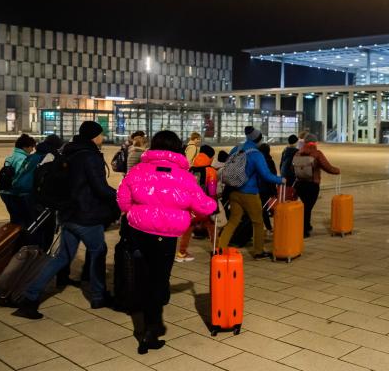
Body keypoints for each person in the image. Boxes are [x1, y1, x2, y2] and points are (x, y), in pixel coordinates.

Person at [117, 130, 217, 353]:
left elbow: (123, 198)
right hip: (166, 236)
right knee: (159, 278)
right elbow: (202, 204)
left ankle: (145, 322)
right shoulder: (184, 176)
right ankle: (151, 329)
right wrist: (213, 205)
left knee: (143, 275)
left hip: (139, 231)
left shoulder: (138, 170)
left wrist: (132, 211)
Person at [13, 121, 119, 319]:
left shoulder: (69, 151)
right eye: (100, 135)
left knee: (62, 257)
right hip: (85, 216)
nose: (102, 138)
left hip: (67, 214)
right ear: (93, 136)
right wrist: (122, 195)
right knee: (98, 251)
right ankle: (98, 296)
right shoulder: (90, 156)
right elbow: (100, 188)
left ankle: (29, 298)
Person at [217, 127, 283, 258]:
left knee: (233, 221)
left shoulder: (236, 149)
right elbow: (266, 175)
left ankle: (220, 249)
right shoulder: (256, 154)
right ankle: (258, 251)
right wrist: (281, 180)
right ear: (259, 139)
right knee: (258, 222)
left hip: (233, 191)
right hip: (249, 193)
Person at [12, 134, 64, 248]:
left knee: (31, 224)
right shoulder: (51, 156)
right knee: (45, 227)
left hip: (24, 194)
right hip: (40, 198)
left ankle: (26, 248)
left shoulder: (34, 155)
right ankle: (39, 253)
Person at [176, 144, 218, 262]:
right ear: (210, 157)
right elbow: (212, 191)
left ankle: (181, 253)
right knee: (212, 227)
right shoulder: (211, 171)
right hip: (204, 205)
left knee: (188, 228)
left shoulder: (191, 169)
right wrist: (213, 206)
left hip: (192, 205)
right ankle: (216, 250)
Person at [294, 133, 340, 237]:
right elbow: (327, 167)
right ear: (315, 143)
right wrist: (337, 170)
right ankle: (304, 230)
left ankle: (307, 226)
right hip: (312, 185)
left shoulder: (298, 153)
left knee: (306, 206)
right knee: (307, 207)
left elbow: (292, 168)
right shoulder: (317, 153)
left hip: (299, 184)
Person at [0, 134, 37, 229]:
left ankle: (13, 239)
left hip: (4, 192)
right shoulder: (23, 159)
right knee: (23, 222)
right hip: (14, 194)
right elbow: (21, 177)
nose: (32, 150)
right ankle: (21, 241)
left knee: (15, 220)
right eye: (31, 147)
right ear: (25, 147)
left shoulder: (10, 157)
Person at [257, 143, 278, 232]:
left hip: (255, 188)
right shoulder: (269, 161)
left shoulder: (257, 160)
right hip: (265, 189)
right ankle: (268, 227)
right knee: (264, 209)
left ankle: (261, 226)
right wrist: (274, 191)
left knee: (259, 208)